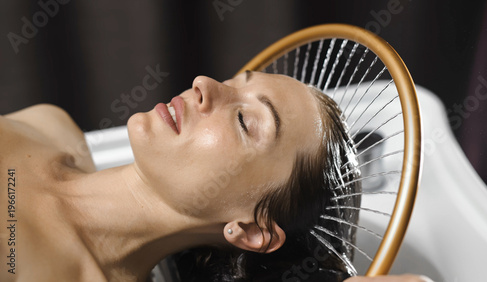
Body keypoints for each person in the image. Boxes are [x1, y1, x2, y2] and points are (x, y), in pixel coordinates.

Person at [0, 71, 429, 282]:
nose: (205, 84)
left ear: (251, 230)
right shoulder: (48, 126)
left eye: (244, 120)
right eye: (234, 82)